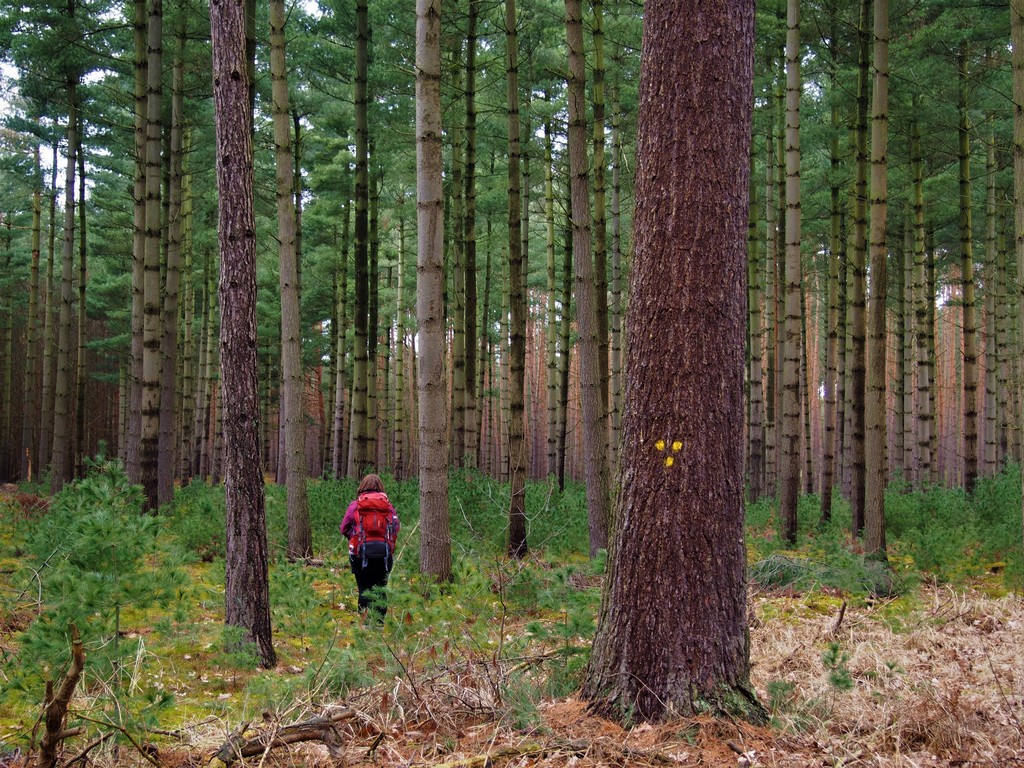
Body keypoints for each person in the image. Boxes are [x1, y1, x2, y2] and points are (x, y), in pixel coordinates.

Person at [340, 473, 399, 621]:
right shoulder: (388, 506)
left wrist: (355, 538)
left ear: (362, 487)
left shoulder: (355, 505)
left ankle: (365, 626)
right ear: (380, 488)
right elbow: (396, 527)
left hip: (360, 554)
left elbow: (343, 528)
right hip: (384, 554)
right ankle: (379, 624)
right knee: (380, 589)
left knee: (364, 589)